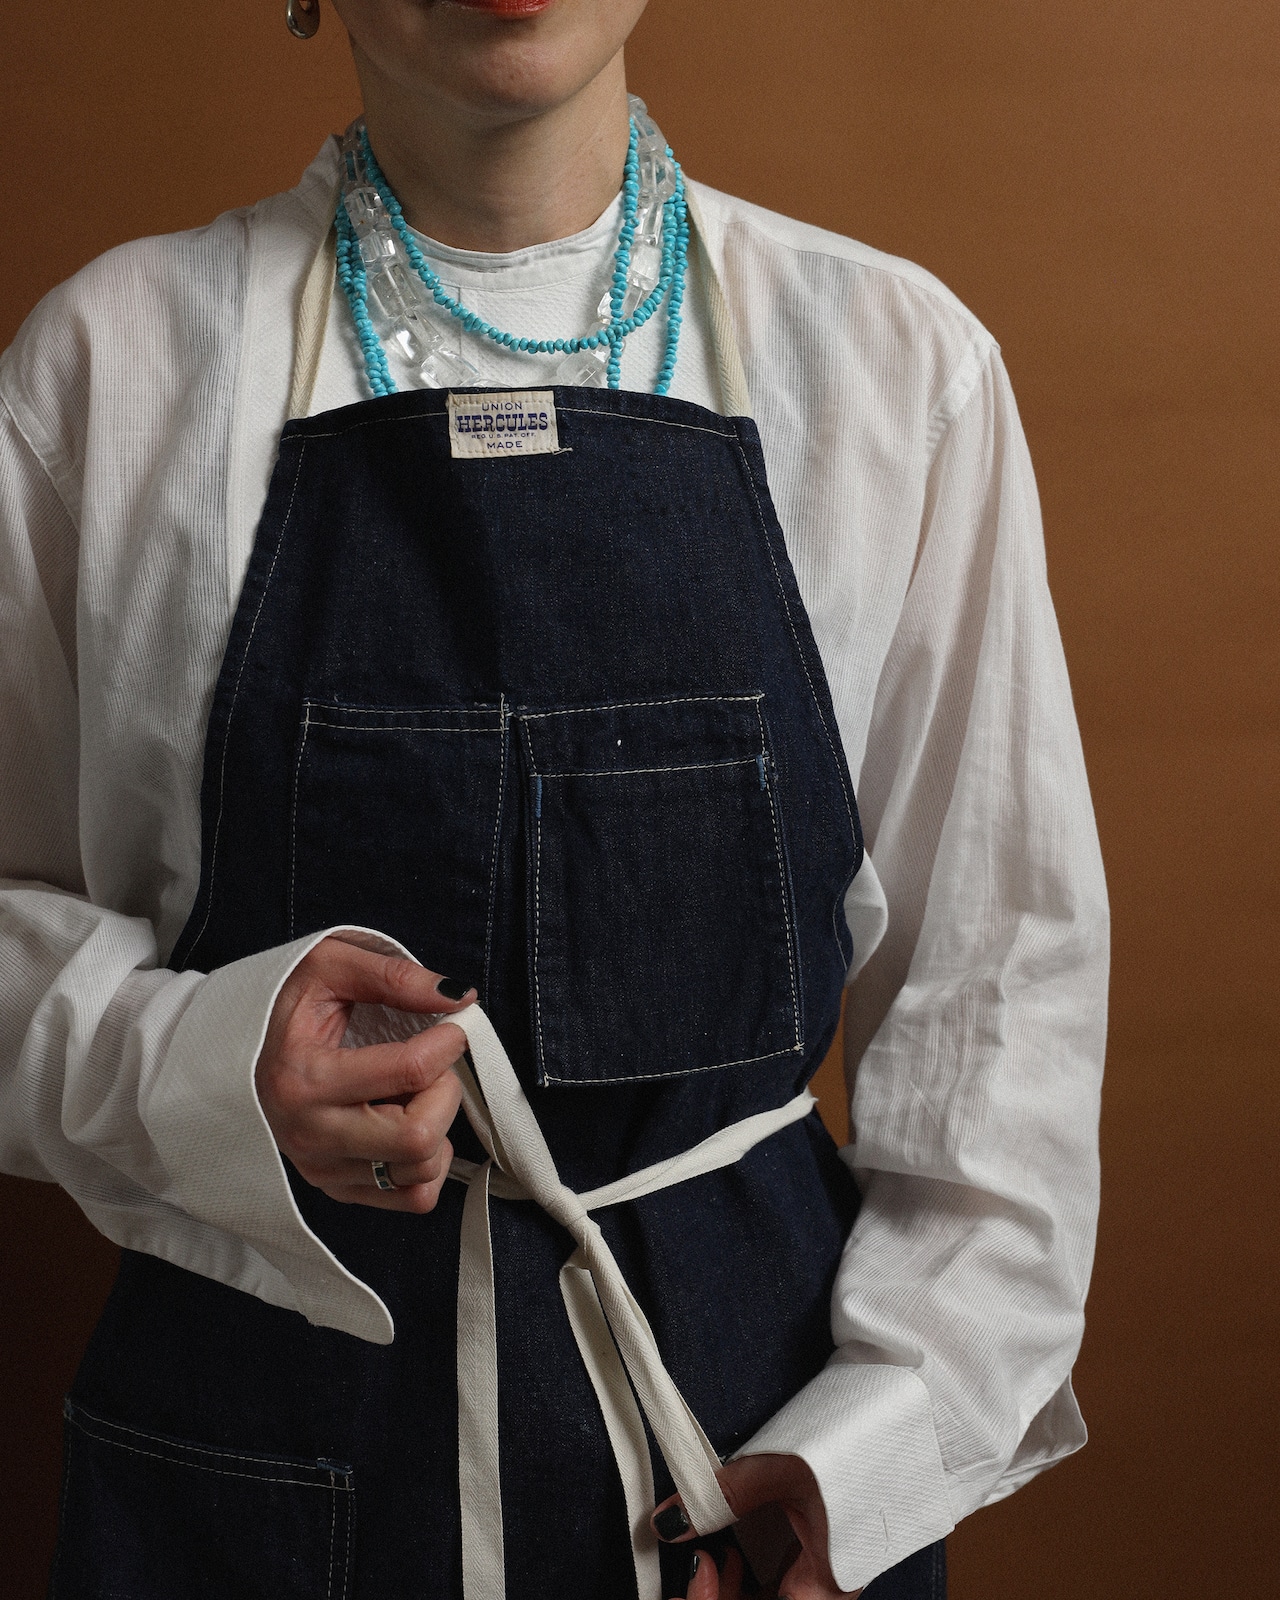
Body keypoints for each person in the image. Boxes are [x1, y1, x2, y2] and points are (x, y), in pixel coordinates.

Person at [0, 2, 1108, 1597]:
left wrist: (876, 1454)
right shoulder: (108, 369)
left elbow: (1008, 982)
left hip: (742, 1457)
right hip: (248, 1463)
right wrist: (197, 1061)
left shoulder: (894, 367)